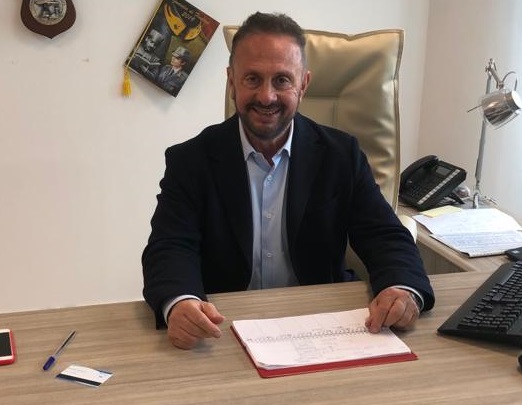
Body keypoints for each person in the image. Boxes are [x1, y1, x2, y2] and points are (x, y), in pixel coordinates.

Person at [142, 12, 435, 350]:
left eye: (282, 80)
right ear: (232, 81)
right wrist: (180, 302)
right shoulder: (191, 160)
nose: (267, 96)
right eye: (252, 79)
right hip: (224, 330)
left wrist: (402, 288)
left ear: (304, 84)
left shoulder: (341, 155)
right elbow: (170, 247)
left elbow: (385, 235)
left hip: (324, 326)